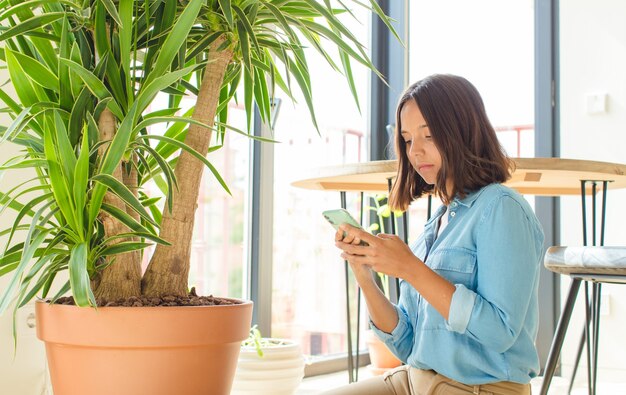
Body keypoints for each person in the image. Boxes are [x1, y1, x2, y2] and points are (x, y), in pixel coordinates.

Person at [324, 74, 544, 395]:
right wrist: (365, 276)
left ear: (463, 131)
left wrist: (409, 268)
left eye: (428, 135)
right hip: (413, 380)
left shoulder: (501, 207)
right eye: (408, 139)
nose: (416, 151)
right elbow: (406, 343)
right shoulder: (437, 224)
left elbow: (500, 332)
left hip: (479, 388)